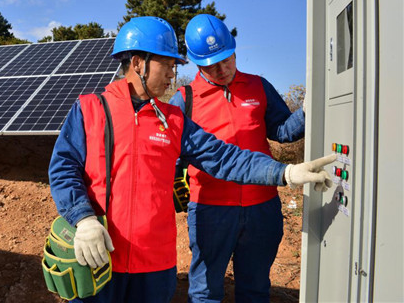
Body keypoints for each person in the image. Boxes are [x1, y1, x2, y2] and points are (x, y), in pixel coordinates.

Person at [48, 16, 333, 303]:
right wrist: (83, 219)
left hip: (154, 266)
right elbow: (63, 168)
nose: (173, 75)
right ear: (138, 63)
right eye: (168, 66)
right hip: (100, 256)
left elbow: (226, 158)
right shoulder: (89, 109)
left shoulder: (173, 121)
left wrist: (286, 173)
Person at [169, 14, 306, 303]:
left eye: (226, 59)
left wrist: (308, 110)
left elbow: (282, 130)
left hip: (262, 207)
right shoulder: (185, 99)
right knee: (206, 290)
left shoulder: (259, 86)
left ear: (234, 50)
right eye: (211, 64)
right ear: (196, 63)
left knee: (255, 288)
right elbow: (172, 154)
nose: (222, 69)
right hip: (210, 210)